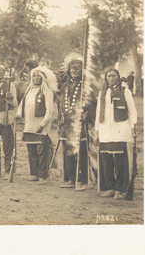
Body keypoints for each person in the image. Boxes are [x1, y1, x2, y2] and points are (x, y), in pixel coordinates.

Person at [96, 68, 138, 199]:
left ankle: (120, 189)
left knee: (120, 161)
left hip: (120, 130)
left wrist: (132, 127)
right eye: (109, 76)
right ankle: (110, 188)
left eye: (114, 76)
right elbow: (98, 112)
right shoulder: (102, 93)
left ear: (118, 77)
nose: (111, 78)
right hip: (104, 131)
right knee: (106, 161)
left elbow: (132, 111)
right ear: (106, 78)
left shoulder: (125, 91)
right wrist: (97, 130)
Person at [15, 66, 58, 182]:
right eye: (34, 76)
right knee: (32, 150)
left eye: (39, 76)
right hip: (28, 125)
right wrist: (18, 114)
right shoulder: (29, 90)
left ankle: (44, 175)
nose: (36, 78)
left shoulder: (47, 91)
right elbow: (22, 105)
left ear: (43, 78)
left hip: (40, 127)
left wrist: (43, 124)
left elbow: (49, 111)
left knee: (42, 152)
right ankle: (34, 173)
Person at [58, 53, 89, 190]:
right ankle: (70, 178)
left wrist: (85, 113)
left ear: (82, 69)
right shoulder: (66, 85)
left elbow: (91, 102)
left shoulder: (85, 86)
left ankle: (81, 180)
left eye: (77, 68)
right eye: (72, 69)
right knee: (67, 150)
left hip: (80, 123)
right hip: (67, 122)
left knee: (80, 151)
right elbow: (62, 104)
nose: (74, 71)